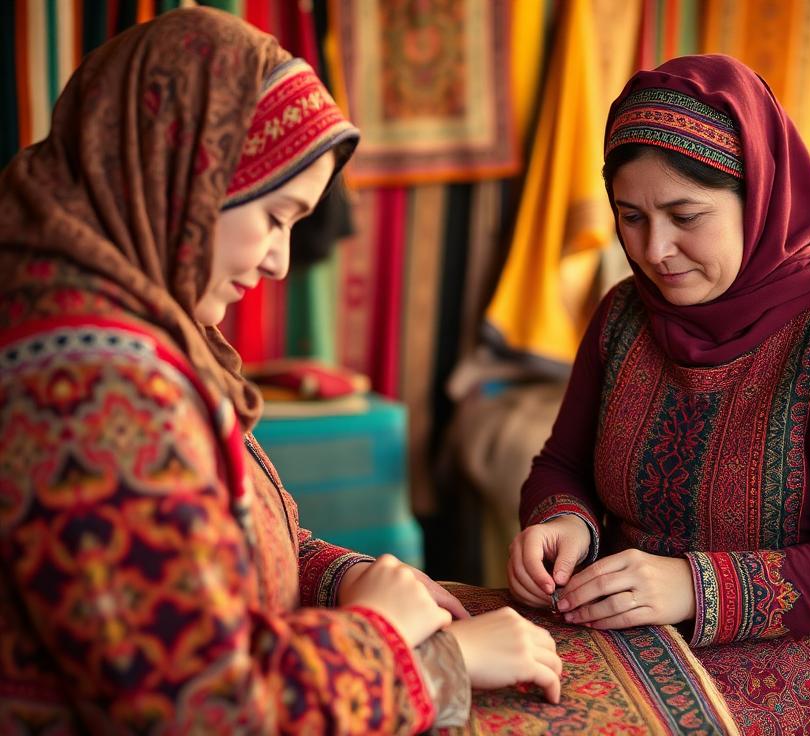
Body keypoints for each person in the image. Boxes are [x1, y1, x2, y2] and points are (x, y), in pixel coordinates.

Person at [0, 8, 560, 733]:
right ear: (189, 177)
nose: (280, 261)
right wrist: (421, 653)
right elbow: (204, 707)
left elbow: (207, 547)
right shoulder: (91, 389)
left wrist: (338, 576)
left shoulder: (133, 332)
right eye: (275, 217)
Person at [508, 55, 810, 735]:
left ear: (759, 197)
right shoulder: (626, 315)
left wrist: (692, 587)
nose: (655, 250)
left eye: (685, 215)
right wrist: (563, 523)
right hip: (637, 626)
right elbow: (563, 465)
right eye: (630, 217)